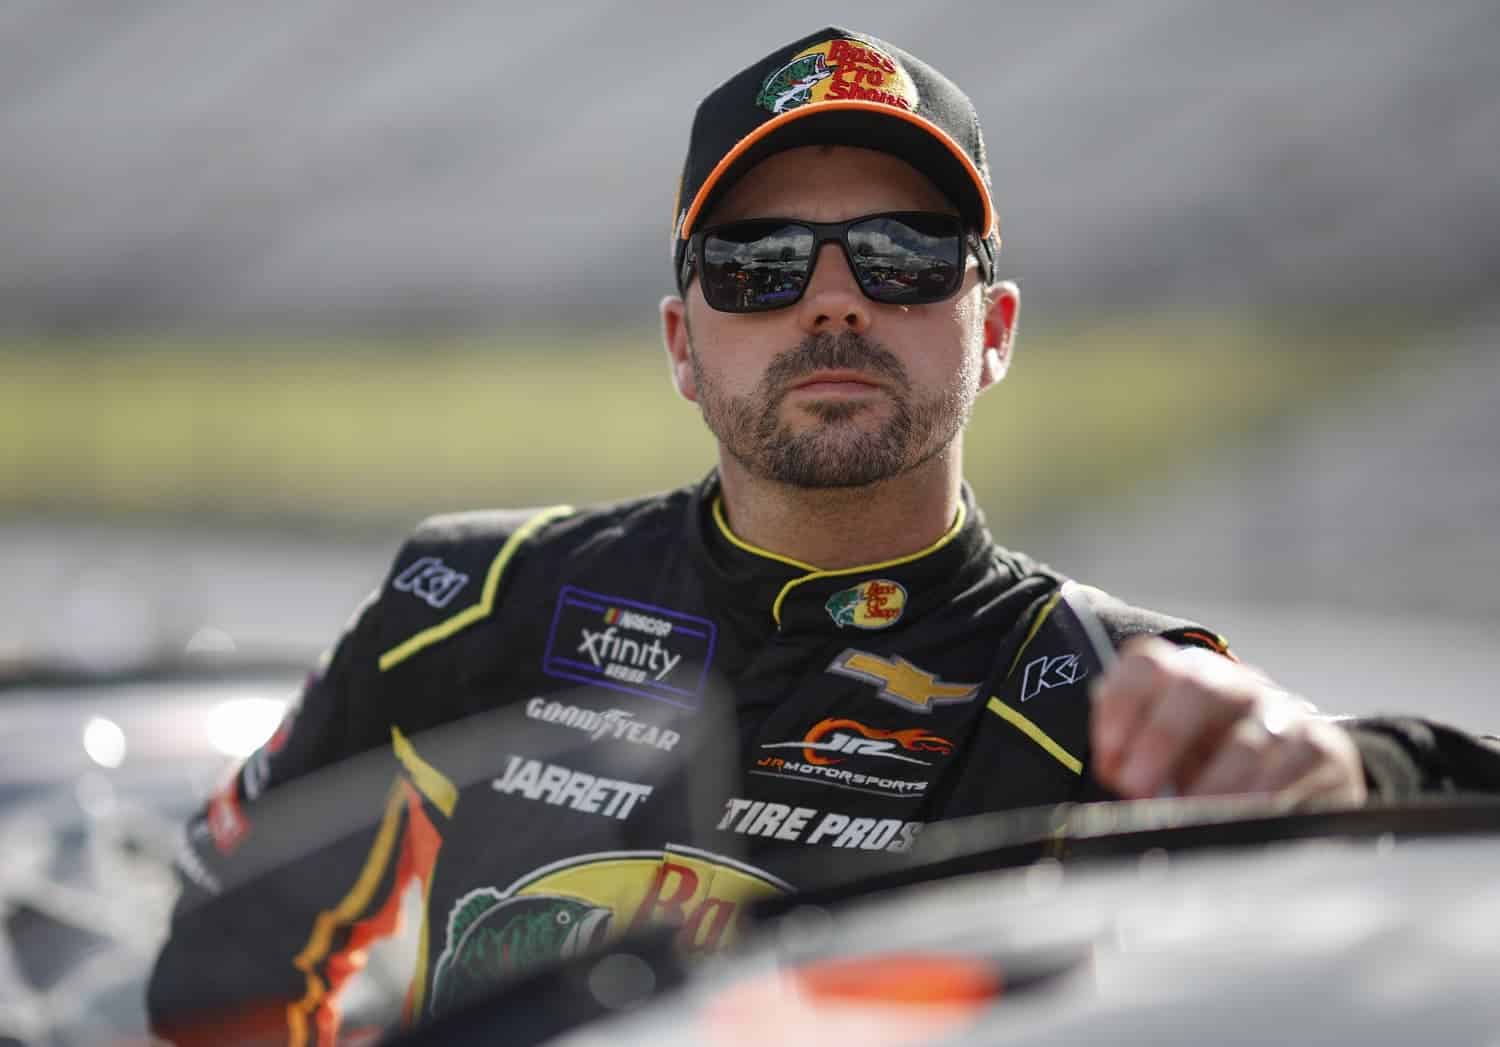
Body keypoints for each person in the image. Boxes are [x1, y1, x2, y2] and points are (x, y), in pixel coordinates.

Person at [147, 26, 1500, 1045]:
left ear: (996, 331)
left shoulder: (1122, 694)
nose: (834, 303)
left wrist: (1350, 775)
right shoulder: (474, 597)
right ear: (685, 342)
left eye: (907, 256)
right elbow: (215, 973)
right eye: (758, 266)